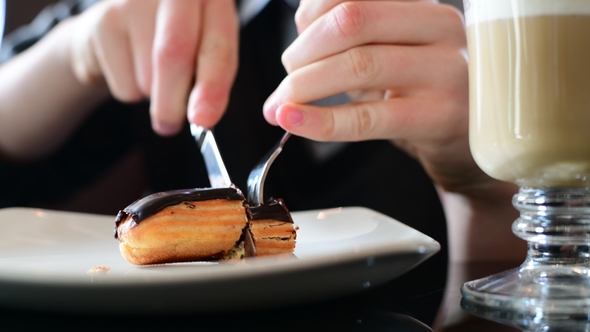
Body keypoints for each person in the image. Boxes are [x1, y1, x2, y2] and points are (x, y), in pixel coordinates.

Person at [0, 0, 523, 324]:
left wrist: (479, 183)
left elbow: (516, 292)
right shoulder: (175, 14)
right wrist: (75, 54)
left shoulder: (503, 33)